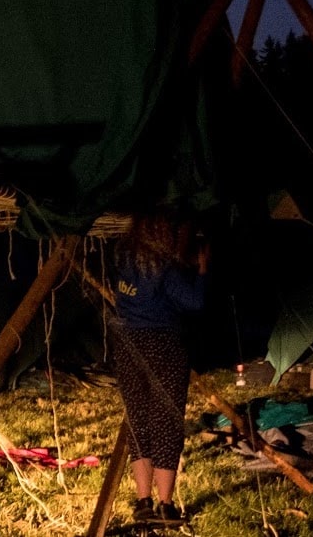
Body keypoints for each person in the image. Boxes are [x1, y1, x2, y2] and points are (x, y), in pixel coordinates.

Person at [105, 213, 207, 523]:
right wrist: (202, 270)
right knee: (166, 420)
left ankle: (142, 500)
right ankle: (165, 504)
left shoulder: (124, 257)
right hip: (163, 342)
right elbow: (194, 302)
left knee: (139, 420)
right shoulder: (165, 266)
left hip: (128, 343)